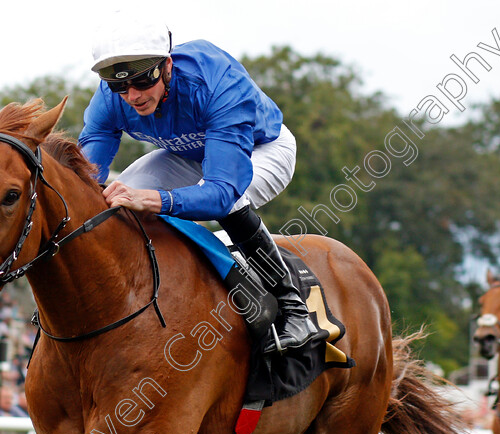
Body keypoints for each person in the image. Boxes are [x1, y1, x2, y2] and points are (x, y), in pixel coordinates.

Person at [78, 12, 320, 353]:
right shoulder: (109, 99)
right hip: (186, 155)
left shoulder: (217, 82)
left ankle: (294, 308)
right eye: (120, 85)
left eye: (142, 82)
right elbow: (86, 178)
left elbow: (220, 193)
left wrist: (153, 199)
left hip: (260, 149)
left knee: (229, 200)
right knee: (113, 203)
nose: (132, 95)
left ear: (167, 66)